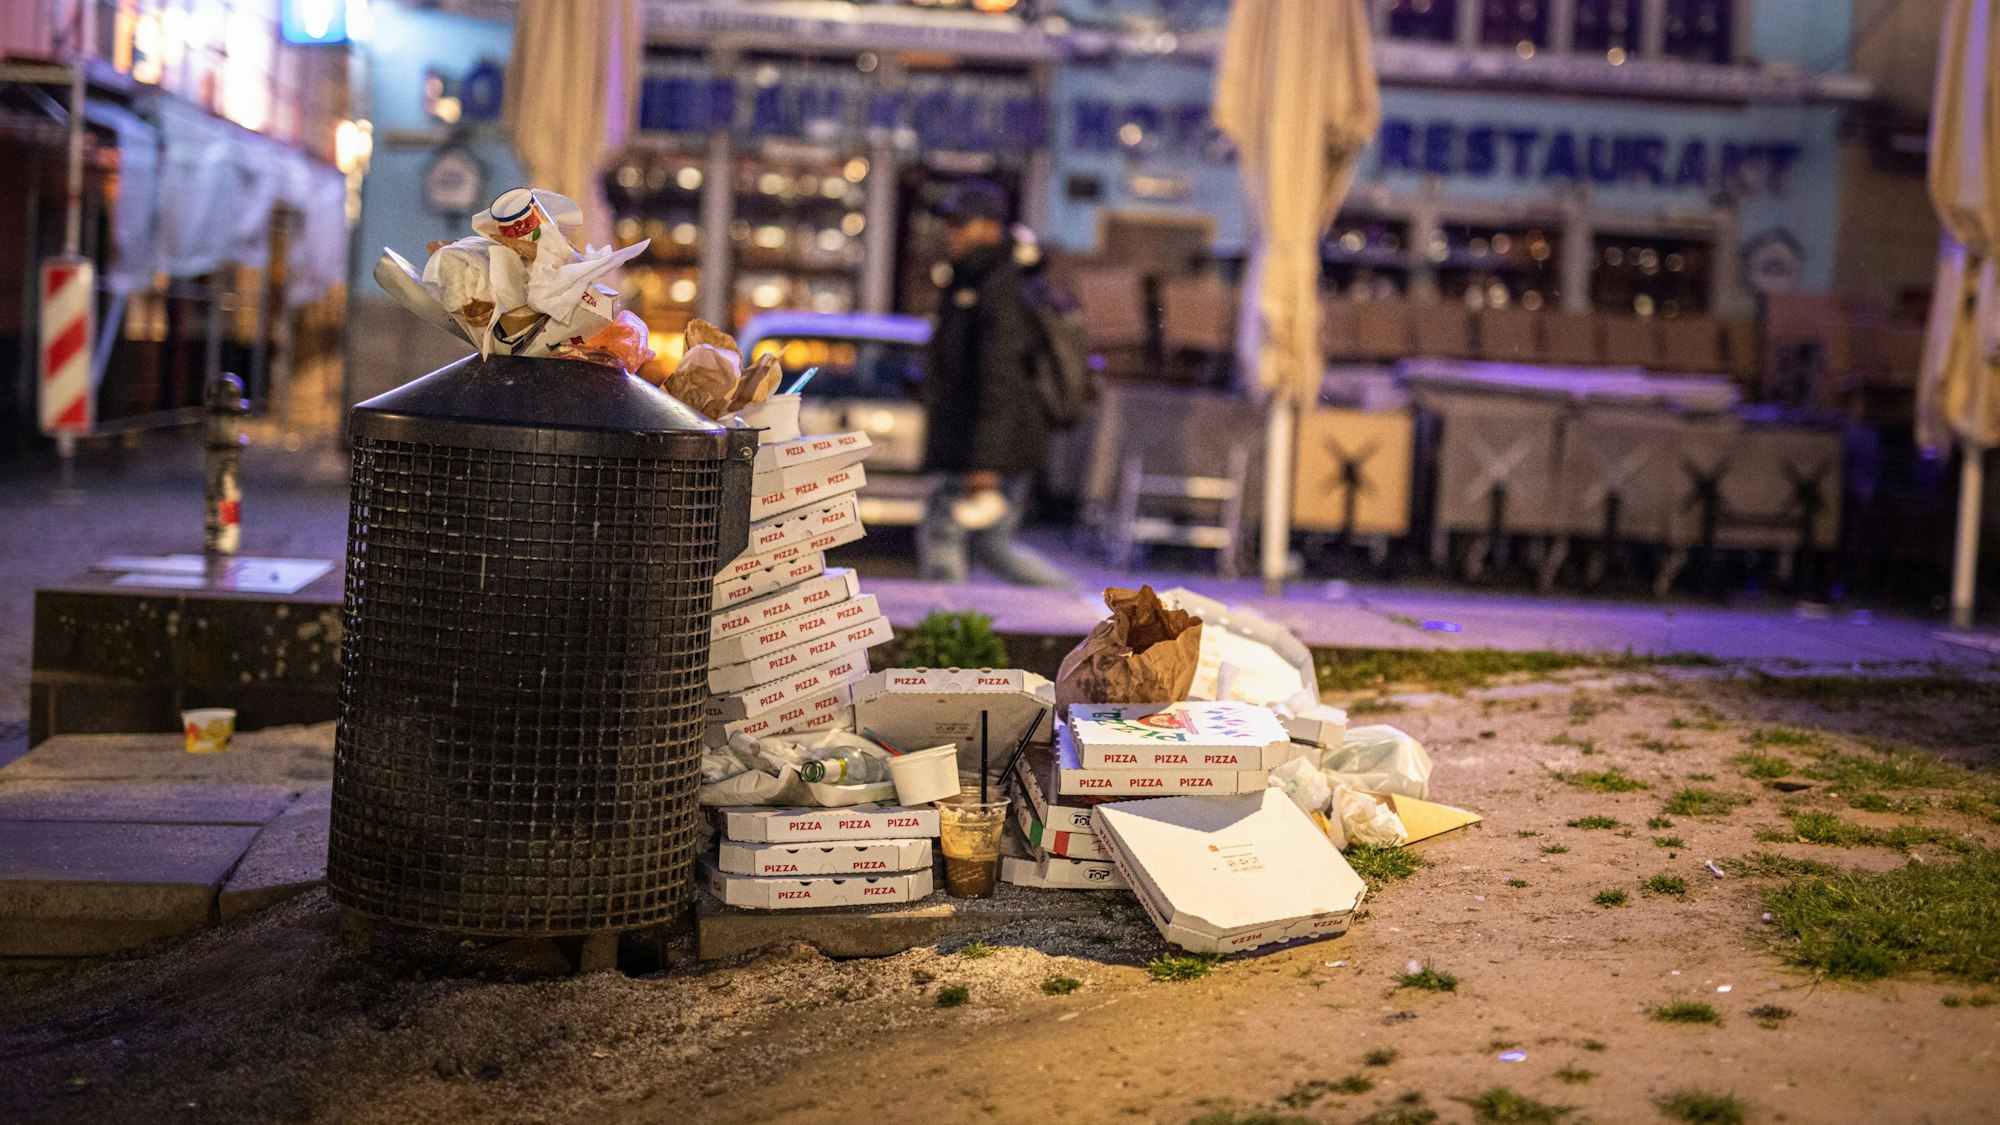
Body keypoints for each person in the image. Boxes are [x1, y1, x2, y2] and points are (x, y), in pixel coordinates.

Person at [917, 180, 1070, 587]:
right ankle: (1076, 602)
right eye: (949, 223)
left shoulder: (999, 286)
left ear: (990, 227)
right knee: (991, 546)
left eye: (960, 223)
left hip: (983, 449)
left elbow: (1002, 379)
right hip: (981, 445)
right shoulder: (973, 280)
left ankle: (947, 620)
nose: (951, 232)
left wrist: (985, 462)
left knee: (945, 535)